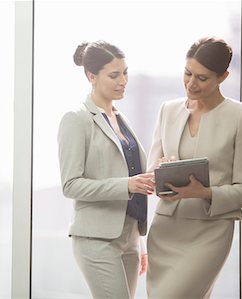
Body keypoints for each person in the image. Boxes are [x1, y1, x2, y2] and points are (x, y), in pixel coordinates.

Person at [146, 36, 242, 298]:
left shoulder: (241, 116)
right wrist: (161, 169)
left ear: (223, 76)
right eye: (187, 73)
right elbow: (151, 173)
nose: (191, 84)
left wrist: (204, 192)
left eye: (202, 78)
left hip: (209, 233)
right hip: (166, 230)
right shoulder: (167, 110)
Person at [57, 40, 154, 299]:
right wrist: (127, 184)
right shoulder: (76, 119)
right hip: (96, 240)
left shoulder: (121, 118)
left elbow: (134, 174)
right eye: (114, 75)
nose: (123, 80)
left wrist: (140, 242)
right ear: (91, 76)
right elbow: (71, 185)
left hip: (131, 236)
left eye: (125, 73)